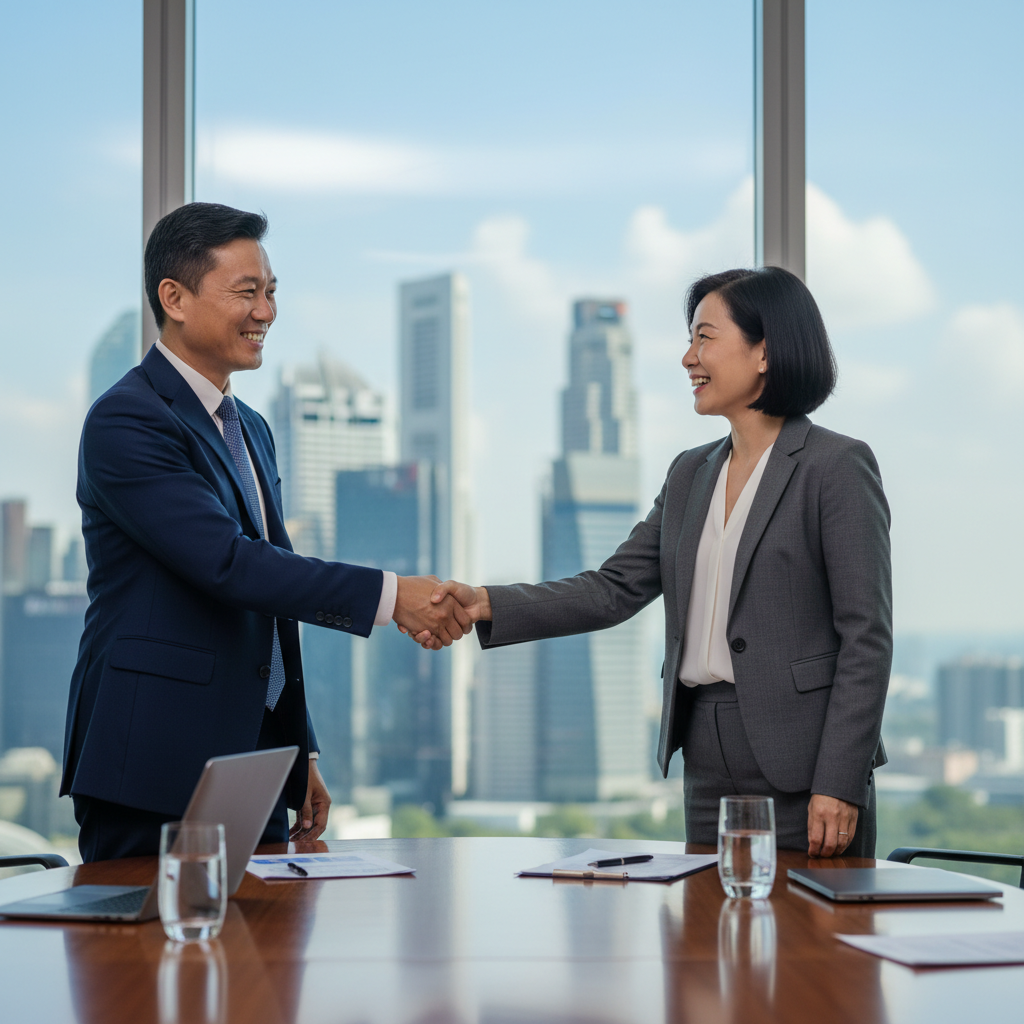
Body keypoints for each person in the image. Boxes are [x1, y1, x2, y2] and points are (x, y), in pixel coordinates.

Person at [417, 267, 891, 858]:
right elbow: (613, 589)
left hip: (806, 754)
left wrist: (839, 781)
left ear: (764, 351)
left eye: (705, 337)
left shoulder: (835, 467)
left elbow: (865, 638)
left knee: (812, 941)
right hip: (705, 742)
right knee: (712, 934)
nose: (688, 357)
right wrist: (488, 601)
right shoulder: (691, 472)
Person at [62, 202, 470, 862]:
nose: (266, 312)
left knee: (260, 961)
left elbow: (272, 591)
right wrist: (395, 598)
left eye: (272, 292)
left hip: (254, 764)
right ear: (175, 298)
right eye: (247, 292)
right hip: (154, 760)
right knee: (137, 960)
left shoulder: (249, 426)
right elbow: (231, 565)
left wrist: (297, 747)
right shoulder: (126, 421)